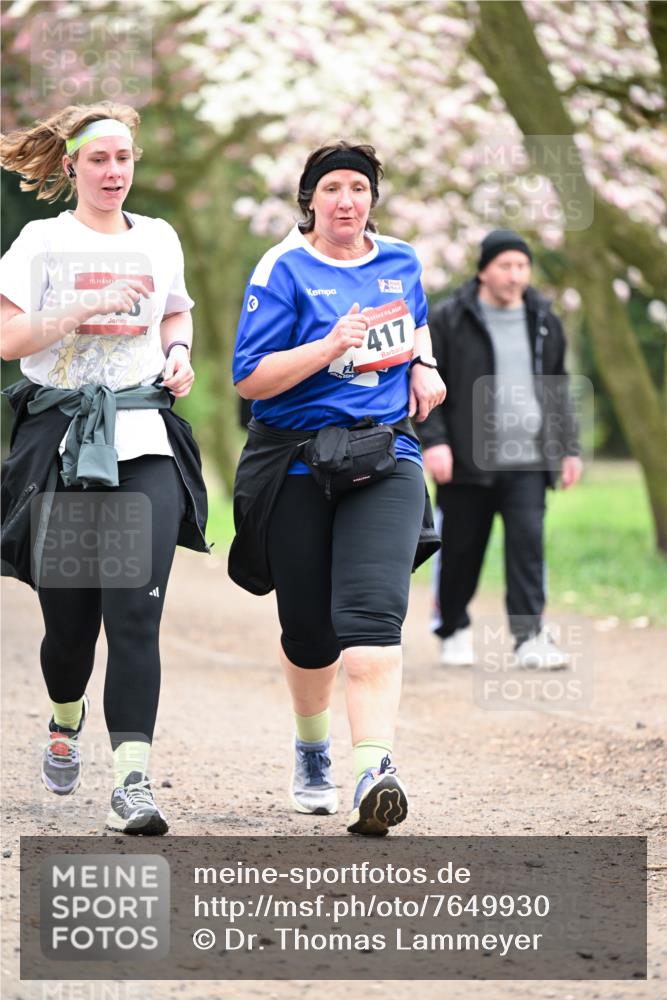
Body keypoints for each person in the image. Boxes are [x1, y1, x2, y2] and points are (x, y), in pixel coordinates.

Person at [0, 102, 209, 835]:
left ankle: (132, 784)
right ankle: (65, 716)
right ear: (71, 166)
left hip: (142, 436)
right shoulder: (39, 241)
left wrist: (178, 354)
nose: (113, 171)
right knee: (69, 627)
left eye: (123, 158)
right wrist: (83, 305)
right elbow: (6, 338)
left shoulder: (158, 238)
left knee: (133, 615)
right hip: (60, 441)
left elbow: (174, 314)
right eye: (98, 159)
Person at [229, 141, 445, 835]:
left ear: (372, 198)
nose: (345, 200)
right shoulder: (283, 268)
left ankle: (373, 773)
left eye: (357, 187)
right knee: (309, 632)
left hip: (385, 457)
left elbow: (414, 323)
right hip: (295, 461)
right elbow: (249, 379)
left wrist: (425, 365)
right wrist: (327, 346)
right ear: (309, 201)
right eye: (331, 190)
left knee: (372, 620)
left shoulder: (401, 260)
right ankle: (313, 749)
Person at [417, 228, 583, 669]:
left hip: (529, 459)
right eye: (505, 266)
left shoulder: (544, 320)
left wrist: (568, 448)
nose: (515, 275)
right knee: (461, 549)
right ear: (483, 270)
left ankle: (529, 637)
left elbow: (557, 387)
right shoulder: (449, 319)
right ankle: (452, 628)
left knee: (528, 547)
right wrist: (435, 443)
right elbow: (428, 387)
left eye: (522, 266)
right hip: (467, 459)